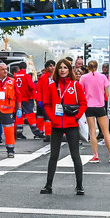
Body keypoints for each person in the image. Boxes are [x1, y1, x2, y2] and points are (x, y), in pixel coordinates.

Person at [41, 59, 87, 194]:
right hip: (56, 124)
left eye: (65, 67)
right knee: (53, 155)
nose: (62, 70)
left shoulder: (75, 85)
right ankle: (48, 185)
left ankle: (79, 186)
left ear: (69, 69)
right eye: (60, 67)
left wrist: (76, 117)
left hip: (71, 124)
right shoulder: (52, 86)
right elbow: (47, 104)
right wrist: (52, 118)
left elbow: (84, 104)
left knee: (75, 155)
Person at [80, 60, 110, 163]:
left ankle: (95, 155)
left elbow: (81, 92)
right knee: (106, 131)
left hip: (89, 106)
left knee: (92, 131)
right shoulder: (103, 78)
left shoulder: (83, 78)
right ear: (97, 67)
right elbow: (107, 94)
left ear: (88, 67)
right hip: (100, 106)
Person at [13, 64, 40, 139]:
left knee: (19, 116)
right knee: (30, 115)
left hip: (17, 99)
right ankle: (35, 131)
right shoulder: (27, 76)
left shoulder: (15, 76)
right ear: (25, 68)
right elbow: (32, 87)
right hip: (26, 99)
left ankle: (18, 132)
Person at [35, 60, 56, 142]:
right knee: (47, 118)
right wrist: (39, 100)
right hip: (46, 101)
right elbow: (39, 89)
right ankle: (48, 134)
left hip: (55, 101)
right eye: (50, 66)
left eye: (53, 66)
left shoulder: (57, 76)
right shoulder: (43, 78)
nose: (52, 67)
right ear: (46, 68)